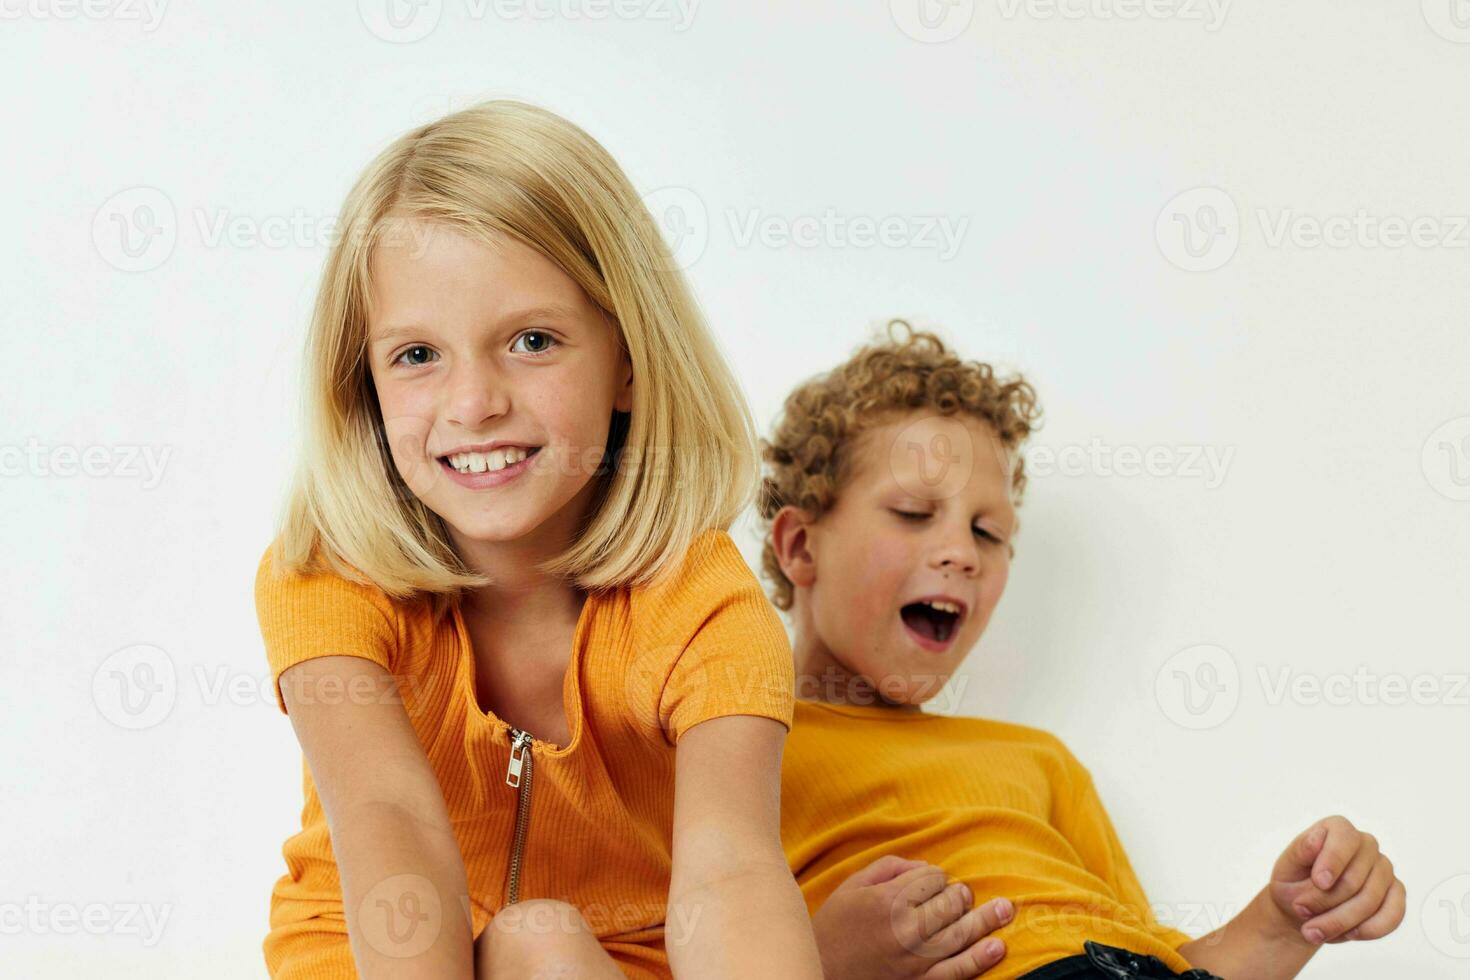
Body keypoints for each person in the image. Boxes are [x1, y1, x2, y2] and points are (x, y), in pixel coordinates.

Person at [253, 100, 822, 979]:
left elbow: (732, 871)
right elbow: (388, 823)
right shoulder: (327, 578)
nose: (473, 402)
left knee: (543, 942)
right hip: (370, 960)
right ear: (361, 383)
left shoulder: (706, 606)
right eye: (416, 356)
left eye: (531, 340)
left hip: (606, 964)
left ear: (629, 360)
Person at [760, 320, 1405, 979]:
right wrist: (821, 964)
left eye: (989, 532)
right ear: (801, 547)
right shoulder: (730, 750)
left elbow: (1158, 959)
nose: (962, 552)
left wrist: (1282, 922)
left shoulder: (1039, 763)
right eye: (913, 512)